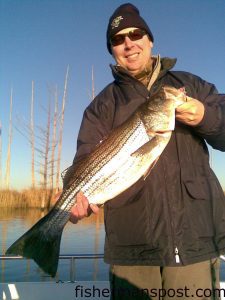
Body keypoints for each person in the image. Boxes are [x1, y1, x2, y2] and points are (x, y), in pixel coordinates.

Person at [64, 3, 225, 299]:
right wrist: (76, 200)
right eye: (117, 39)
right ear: (112, 49)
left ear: (150, 40)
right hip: (131, 252)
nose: (128, 43)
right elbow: (83, 166)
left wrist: (206, 116)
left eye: (136, 33)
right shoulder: (101, 107)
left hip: (194, 243)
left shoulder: (189, 84)